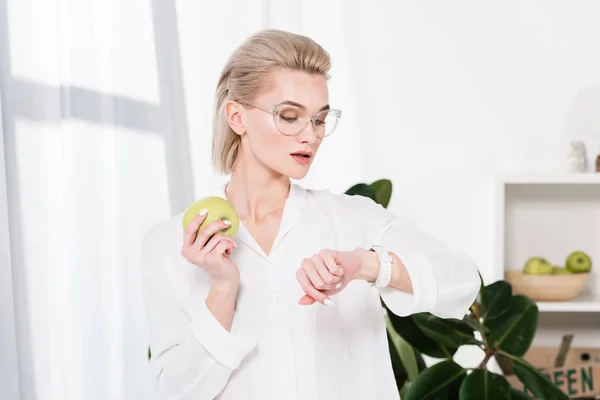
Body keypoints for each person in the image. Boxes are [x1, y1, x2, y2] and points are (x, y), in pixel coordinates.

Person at [140, 29, 481, 400]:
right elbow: (174, 391)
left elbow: (462, 280)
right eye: (290, 116)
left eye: (319, 119)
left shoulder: (353, 219)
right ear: (237, 117)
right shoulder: (170, 244)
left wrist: (366, 266)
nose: (311, 135)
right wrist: (222, 288)